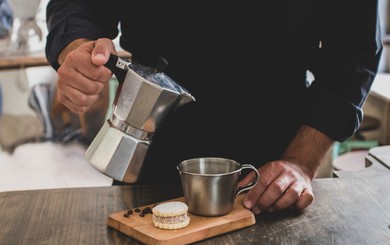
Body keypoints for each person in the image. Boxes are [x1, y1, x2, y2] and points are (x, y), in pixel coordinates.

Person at [45, 0, 383, 214]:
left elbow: (353, 56)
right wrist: (77, 50)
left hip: (269, 173)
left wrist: (300, 161)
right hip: (151, 157)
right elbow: (78, 5)